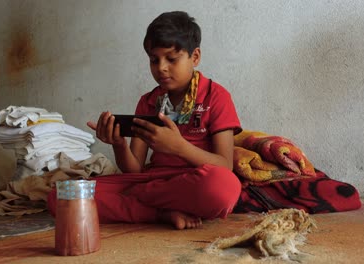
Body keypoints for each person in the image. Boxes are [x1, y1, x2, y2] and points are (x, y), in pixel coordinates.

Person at [48, 11, 242, 230]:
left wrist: (179, 148)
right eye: (154, 60)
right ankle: (160, 214)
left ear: (195, 57)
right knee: (62, 196)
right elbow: (135, 170)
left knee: (225, 187)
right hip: (151, 180)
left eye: (171, 59)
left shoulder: (215, 96)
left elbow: (225, 166)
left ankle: (142, 200)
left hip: (192, 181)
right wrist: (119, 144)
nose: (161, 68)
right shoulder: (148, 102)